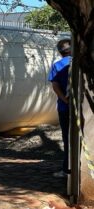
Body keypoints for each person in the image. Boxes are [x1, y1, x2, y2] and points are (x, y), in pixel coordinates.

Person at [48, 38, 72, 178]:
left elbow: (55, 86)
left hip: (65, 108)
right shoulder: (81, 63)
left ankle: (67, 170)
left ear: (60, 52)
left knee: (68, 138)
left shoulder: (57, 65)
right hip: (83, 109)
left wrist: (65, 100)